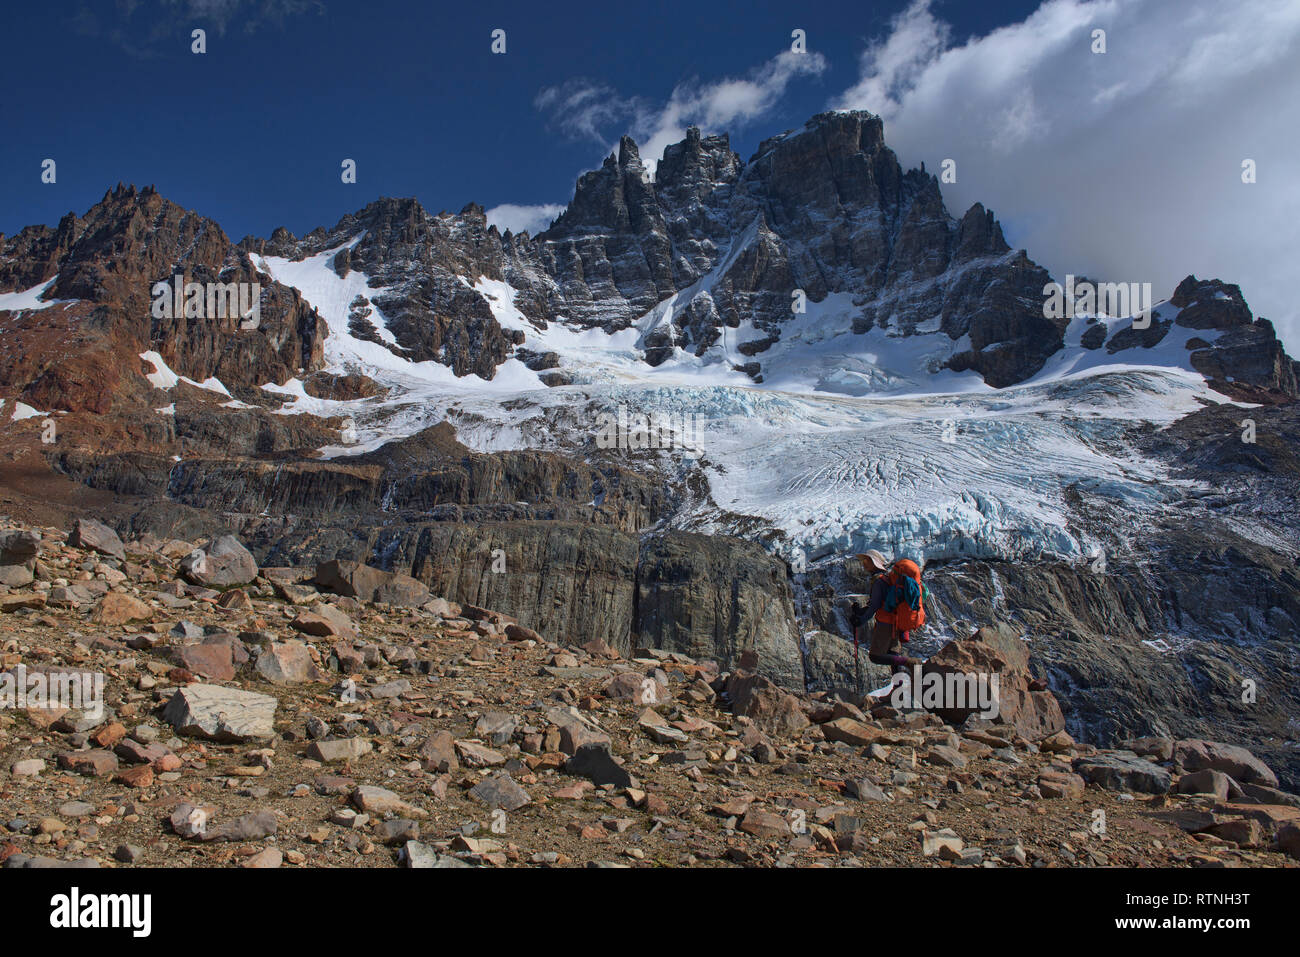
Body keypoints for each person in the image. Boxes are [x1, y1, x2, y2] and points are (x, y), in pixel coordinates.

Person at [850, 550, 924, 678]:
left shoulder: (878, 581)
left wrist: (860, 620)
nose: (864, 564)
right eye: (864, 560)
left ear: (875, 563)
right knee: (893, 657)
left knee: (875, 656)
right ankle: (898, 690)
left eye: (867, 560)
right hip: (896, 622)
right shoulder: (888, 579)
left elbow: (874, 606)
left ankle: (911, 662)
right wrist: (860, 611)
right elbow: (879, 602)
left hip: (885, 624)